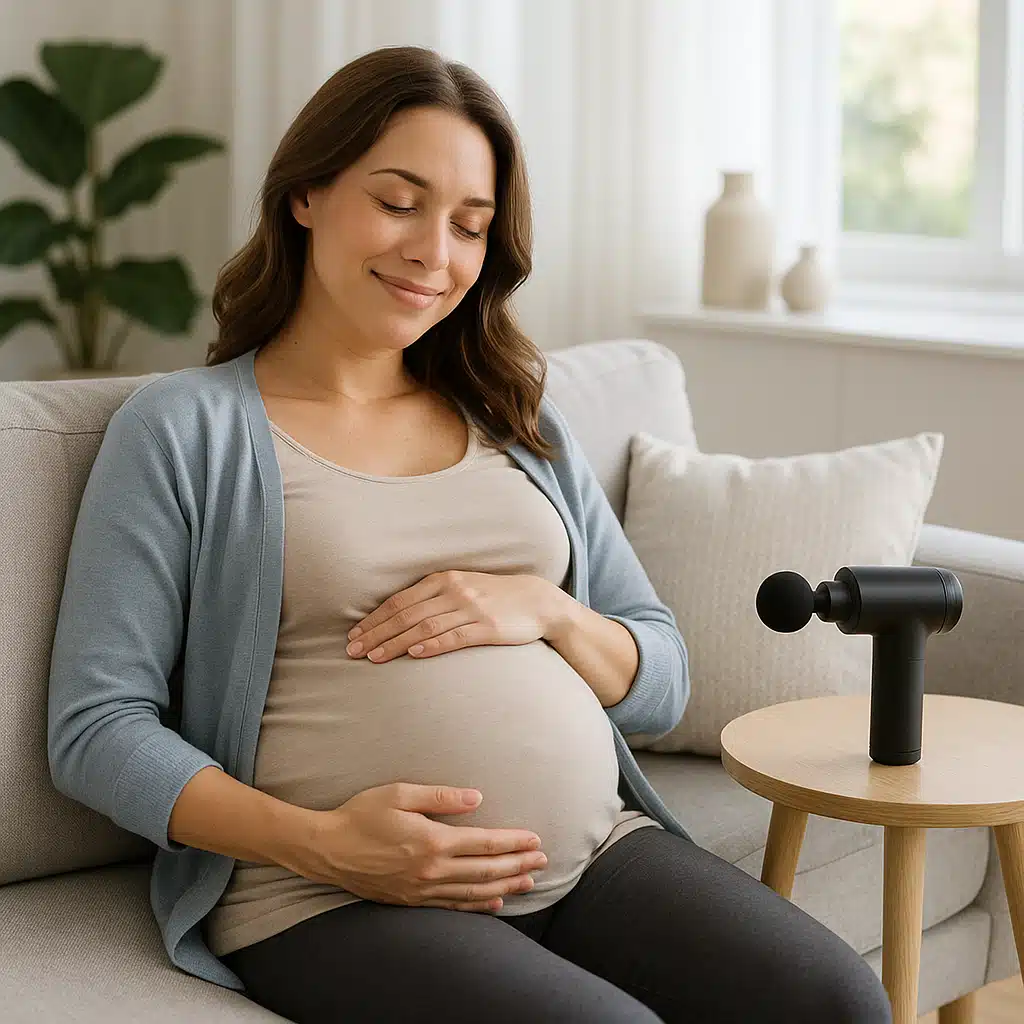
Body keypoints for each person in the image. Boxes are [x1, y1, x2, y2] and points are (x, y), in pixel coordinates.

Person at [48, 44, 892, 1024]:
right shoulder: (185, 428)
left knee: (839, 1002)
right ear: (307, 194)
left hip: (591, 857)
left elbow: (660, 679)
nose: (432, 252)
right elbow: (96, 728)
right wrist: (321, 843)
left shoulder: (515, 417)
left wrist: (543, 608)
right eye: (398, 202)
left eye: (469, 224)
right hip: (327, 896)